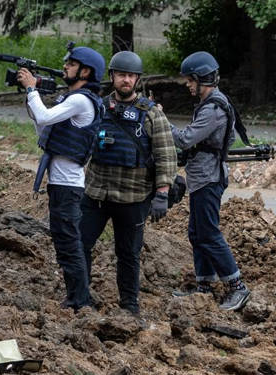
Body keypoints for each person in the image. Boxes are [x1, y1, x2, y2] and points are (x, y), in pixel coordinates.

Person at [79, 51, 178, 316]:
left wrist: (162, 192)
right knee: (81, 242)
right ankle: (79, 296)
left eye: (131, 76)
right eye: (121, 75)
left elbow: (167, 154)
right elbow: (82, 143)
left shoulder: (151, 115)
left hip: (133, 197)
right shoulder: (97, 107)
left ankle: (129, 306)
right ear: (112, 77)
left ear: (137, 80)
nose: (126, 80)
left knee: (128, 254)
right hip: (97, 193)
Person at [16, 44, 105, 312]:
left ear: (86, 71)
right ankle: (75, 297)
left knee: (69, 242)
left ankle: (80, 300)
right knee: (64, 241)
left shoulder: (81, 100)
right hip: (60, 184)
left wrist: (32, 89)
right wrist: (31, 97)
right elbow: (44, 125)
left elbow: (44, 115)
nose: (65, 66)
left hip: (68, 186)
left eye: (71, 64)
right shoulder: (72, 98)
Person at [171, 51, 251, 311]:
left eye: (190, 80)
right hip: (201, 176)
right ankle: (204, 286)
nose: (188, 85)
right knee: (197, 233)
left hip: (208, 178)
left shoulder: (214, 108)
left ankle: (237, 287)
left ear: (201, 78)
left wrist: (160, 120)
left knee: (208, 233)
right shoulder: (210, 103)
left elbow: (185, 139)